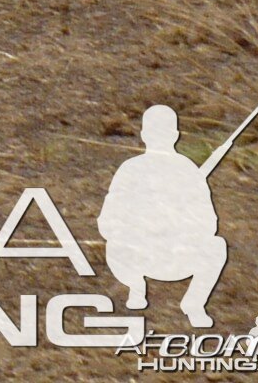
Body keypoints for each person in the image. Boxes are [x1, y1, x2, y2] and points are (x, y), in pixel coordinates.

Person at [98, 103, 230, 327]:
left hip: (177, 254)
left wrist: (178, 224)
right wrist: (139, 227)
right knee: (115, 246)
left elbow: (209, 224)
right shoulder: (131, 170)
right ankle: (136, 287)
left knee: (216, 246)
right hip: (137, 254)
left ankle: (194, 303)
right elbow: (107, 222)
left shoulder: (188, 172)